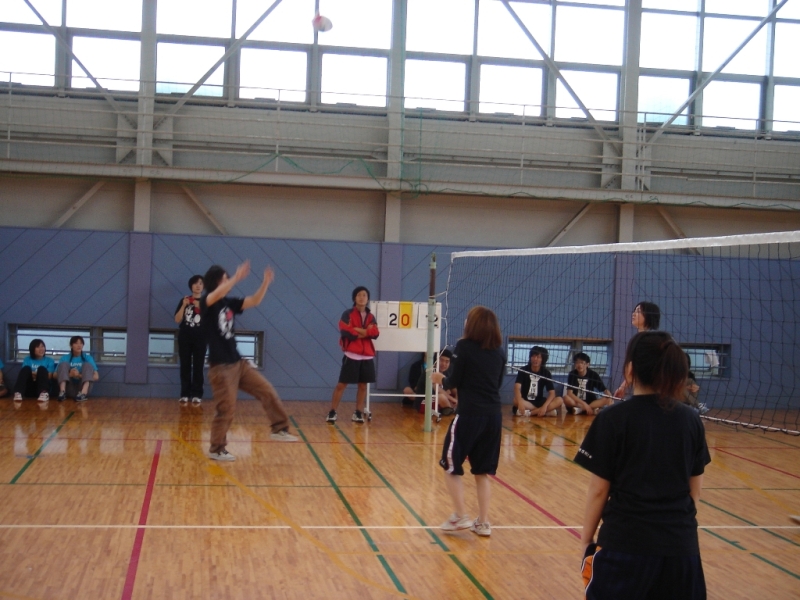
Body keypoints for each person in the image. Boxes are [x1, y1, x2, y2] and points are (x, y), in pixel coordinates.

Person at [576, 331, 710, 600]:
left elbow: (599, 491)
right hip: (681, 551)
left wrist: (586, 541)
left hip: (624, 547)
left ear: (630, 370)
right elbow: (694, 492)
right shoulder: (691, 420)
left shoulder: (613, 419)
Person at [201, 260, 298, 462]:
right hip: (221, 368)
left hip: (239, 364)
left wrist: (265, 283)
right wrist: (237, 277)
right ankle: (216, 449)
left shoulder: (229, 303)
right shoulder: (207, 301)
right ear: (215, 281)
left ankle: (279, 429)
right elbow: (214, 295)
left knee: (267, 391)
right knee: (226, 410)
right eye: (224, 279)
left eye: (228, 278)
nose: (228, 281)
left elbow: (254, 300)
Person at [432, 306, 505, 537]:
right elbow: (497, 383)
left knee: (450, 465)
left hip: (470, 415)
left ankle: (460, 516)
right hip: (494, 417)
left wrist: (439, 378)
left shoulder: (464, 347)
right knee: (482, 472)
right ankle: (482, 523)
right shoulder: (500, 352)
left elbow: (454, 380)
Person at [326, 286, 379, 424]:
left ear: (368, 299)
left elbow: (375, 333)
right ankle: (332, 411)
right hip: (352, 355)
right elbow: (346, 331)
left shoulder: (371, 317)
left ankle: (358, 412)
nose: (362, 297)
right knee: (341, 384)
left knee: (363, 386)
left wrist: (358, 329)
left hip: (367, 356)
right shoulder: (347, 314)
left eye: (364, 295)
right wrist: (364, 332)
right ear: (354, 298)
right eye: (359, 295)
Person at [614, 301, 661, 400]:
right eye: (634, 311)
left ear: (648, 315)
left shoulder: (654, 341)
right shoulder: (638, 339)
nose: (634, 314)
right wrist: (623, 387)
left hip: (654, 390)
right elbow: (634, 366)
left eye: (638, 311)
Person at [174, 274, 207, 404]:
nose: (198, 285)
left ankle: (197, 394)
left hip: (201, 337)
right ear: (191, 286)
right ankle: (185, 394)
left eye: (201, 283)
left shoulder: (207, 301)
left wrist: (200, 305)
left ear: (203, 286)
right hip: (185, 337)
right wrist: (184, 305)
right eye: (195, 283)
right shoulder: (185, 300)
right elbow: (177, 320)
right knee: (185, 365)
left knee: (198, 366)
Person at [512, 346, 563, 417]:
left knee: (560, 400)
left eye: (538, 357)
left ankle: (530, 413)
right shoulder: (523, 370)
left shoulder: (546, 373)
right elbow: (517, 388)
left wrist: (545, 406)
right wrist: (520, 402)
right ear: (530, 357)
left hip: (539, 401)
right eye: (533, 356)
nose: (535, 359)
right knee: (515, 400)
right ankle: (544, 412)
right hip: (526, 401)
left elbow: (552, 393)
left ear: (543, 359)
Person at [412, 349, 458, 416]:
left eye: (447, 361)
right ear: (436, 360)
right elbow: (437, 390)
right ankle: (454, 410)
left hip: (436, 400)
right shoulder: (430, 372)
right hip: (423, 402)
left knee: (458, 392)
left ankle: (451, 409)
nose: (444, 364)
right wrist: (453, 399)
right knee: (442, 397)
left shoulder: (446, 373)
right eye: (441, 360)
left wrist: (456, 398)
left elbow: (453, 387)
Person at [56, 336, 99, 402]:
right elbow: (54, 375)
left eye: (81, 343)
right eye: (76, 343)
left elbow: (96, 377)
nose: (79, 345)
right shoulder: (64, 358)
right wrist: (70, 375)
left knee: (87, 365)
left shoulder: (88, 358)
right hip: (69, 387)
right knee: (64, 364)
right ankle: (62, 392)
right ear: (71, 345)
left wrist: (78, 375)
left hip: (82, 386)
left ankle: (83, 394)